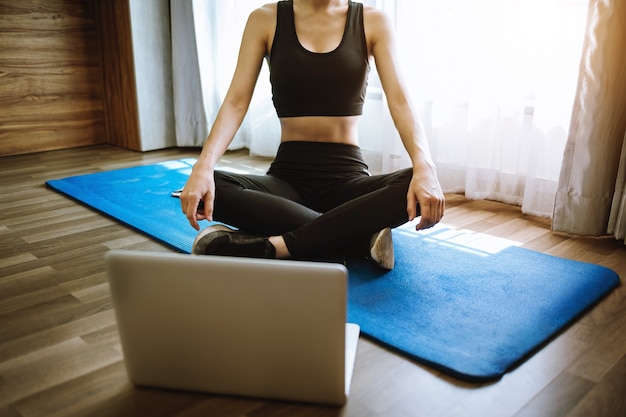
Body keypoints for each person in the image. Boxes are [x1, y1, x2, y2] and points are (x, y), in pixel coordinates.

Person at [180, 0, 444, 269]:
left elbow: (400, 101)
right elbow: (236, 102)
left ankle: (275, 247)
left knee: (417, 180)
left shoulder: (372, 20)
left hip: (348, 182)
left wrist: (425, 166)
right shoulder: (264, 19)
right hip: (287, 182)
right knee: (212, 186)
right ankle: (358, 237)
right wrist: (203, 166)